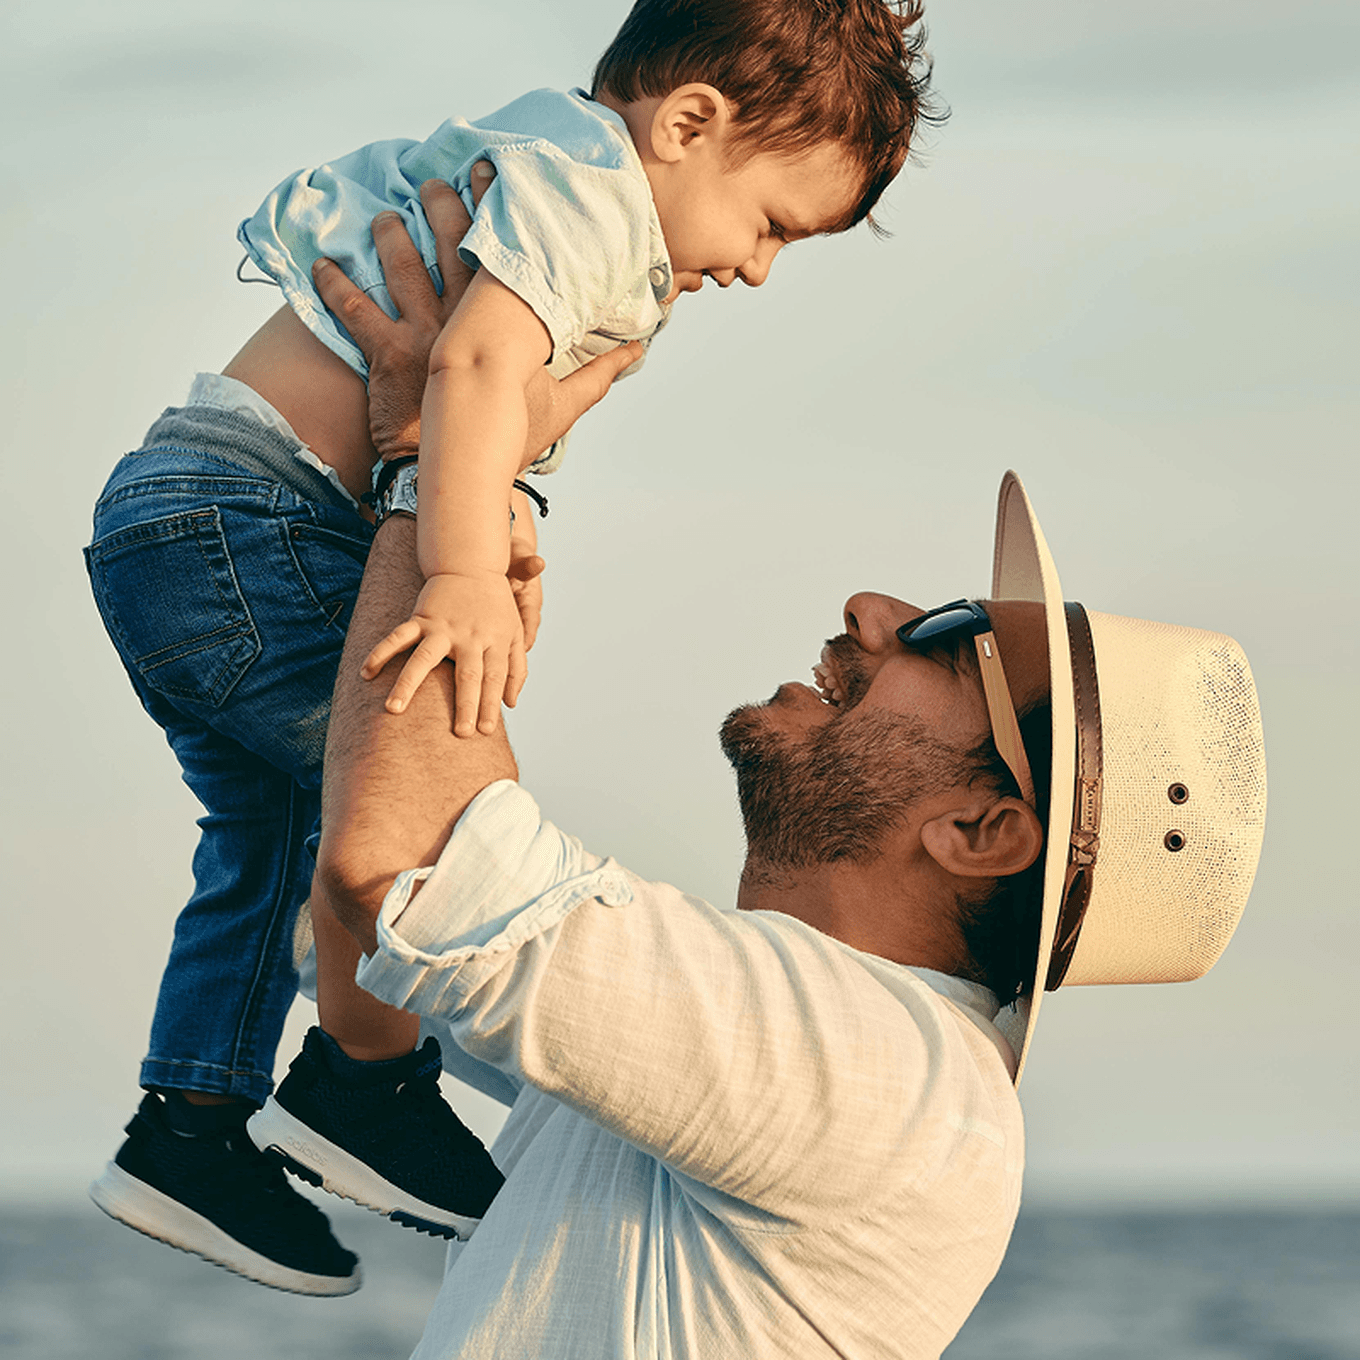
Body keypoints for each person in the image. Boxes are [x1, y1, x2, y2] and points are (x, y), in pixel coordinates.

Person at [288, 218, 1268, 1357]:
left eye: (951, 641)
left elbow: (398, 859)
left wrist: (438, 454)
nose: (871, 610)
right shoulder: (783, 1051)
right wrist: (466, 497)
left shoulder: (894, 1080)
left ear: (981, 828)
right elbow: (352, 906)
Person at [86, 0, 944, 1294]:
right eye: (770, 222)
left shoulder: (565, 194)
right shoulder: (592, 190)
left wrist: (505, 529)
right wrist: (461, 569)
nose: (761, 269)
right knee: (418, 813)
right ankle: (358, 1085)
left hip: (191, 524)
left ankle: (190, 1129)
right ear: (691, 123)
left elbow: (502, 410)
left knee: (269, 843)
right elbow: (474, 366)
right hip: (252, 522)